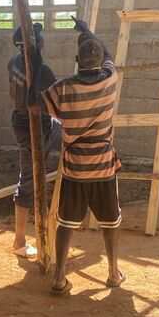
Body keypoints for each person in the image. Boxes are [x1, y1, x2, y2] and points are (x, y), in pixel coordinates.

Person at [42, 22, 124, 296]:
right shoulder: (110, 79)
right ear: (101, 61)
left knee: (67, 222)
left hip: (75, 167)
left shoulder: (62, 88)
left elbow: (36, 106)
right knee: (110, 221)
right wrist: (88, 32)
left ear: (77, 61)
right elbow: (110, 56)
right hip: (102, 165)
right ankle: (113, 272)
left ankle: (59, 276)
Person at [8, 23, 60, 258]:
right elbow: (55, 103)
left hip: (21, 122)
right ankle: (20, 241)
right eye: (41, 39)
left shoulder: (14, 63)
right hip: (36, 128)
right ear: (37, 44)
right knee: (28, 180)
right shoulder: (43, 71)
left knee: (29, 176)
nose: (44, 41)